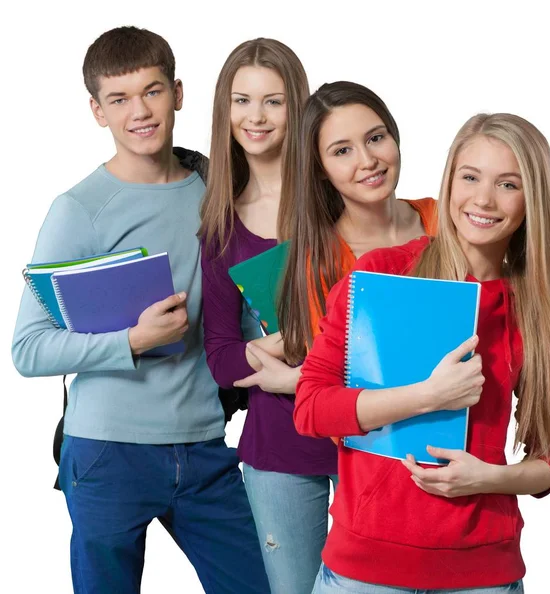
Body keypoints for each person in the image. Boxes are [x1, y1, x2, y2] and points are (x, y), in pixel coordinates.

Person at [12, 26, 269, 594]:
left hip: (204, 445)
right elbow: (27, 349)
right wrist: (131, 340)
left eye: (152, 91)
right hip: (106, 453)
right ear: (97, 111)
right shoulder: (79, 209)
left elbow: (238, 312)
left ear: (177, 93)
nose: (140, 112)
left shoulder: (217, 189)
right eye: (119, 99)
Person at [295, 113, 550, 593]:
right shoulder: (384, 275)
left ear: (532, 202)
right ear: (450, 182)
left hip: (482, 575)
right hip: (365, 570)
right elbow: (311, 409)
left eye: (508, 184)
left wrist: (488, 478)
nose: (483, 199)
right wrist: (426, 396)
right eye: (470, 177)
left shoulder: (532, 309)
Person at [199, 38, 330, 594]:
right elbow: (221, 355)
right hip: (278, 439)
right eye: (242, 100)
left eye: (273, 101)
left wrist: (303, 352)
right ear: (224, 110)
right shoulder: (222, 223)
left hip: (369, 427)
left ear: (297, 107)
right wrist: (280, 349)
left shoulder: (336, 197)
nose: (255, 117)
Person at [278, 81, 437, 368]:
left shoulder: (444, 217)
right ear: (319, 168)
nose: (368, 161)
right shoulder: (321, 263)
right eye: (342, 151)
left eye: (376, 138)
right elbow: (330, 377)